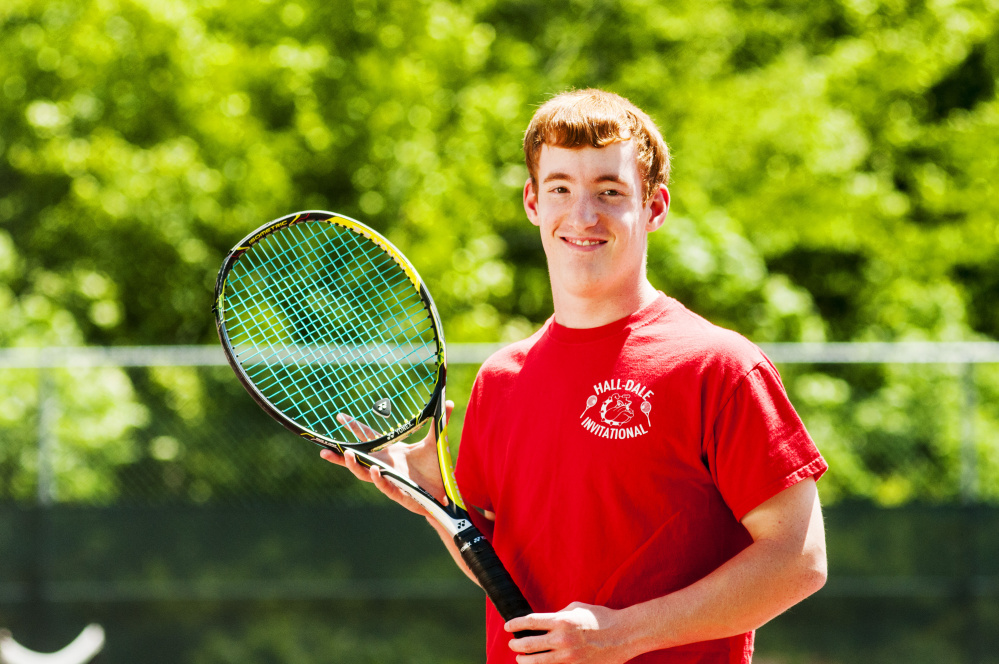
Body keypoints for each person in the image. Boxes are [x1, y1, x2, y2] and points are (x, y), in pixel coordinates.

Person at [322, 88, 828, 663]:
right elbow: (510, 572)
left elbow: (799, 560)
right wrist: (440, 502)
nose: (583, 215)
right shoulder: (500, 380)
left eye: (610, 191)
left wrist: (620, 634)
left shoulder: (719, 366)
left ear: (654, 207)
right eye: (560, 188)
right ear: (533, 201)